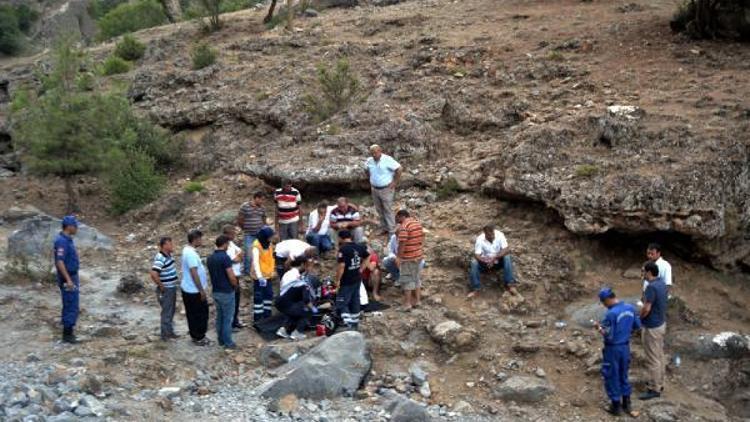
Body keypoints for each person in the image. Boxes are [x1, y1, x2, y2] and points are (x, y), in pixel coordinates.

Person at [595, 287, 641, 416]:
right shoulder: (630, 308)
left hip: (613, 349)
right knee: (623, 374)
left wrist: (599, 328)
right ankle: (627, 404)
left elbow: (608, 334)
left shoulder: (611, 314)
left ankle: (616, 406)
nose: (604, 305)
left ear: (607, 299)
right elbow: (637, 326)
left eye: (603, 302)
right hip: (625, 347)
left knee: (611, 375)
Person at [639, 261, 668, 401]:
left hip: (652, 326)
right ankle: (660, 383)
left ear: (649, 273)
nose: (642, 274)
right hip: (661, 324)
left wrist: (640, 317)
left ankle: (654, 388)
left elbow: (647, 308)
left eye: (643, 271)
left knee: (652, 358)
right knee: (660, 355)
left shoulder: (651, 287)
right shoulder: (661, 283)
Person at [207, 235, 240, 349]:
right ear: (225, 244)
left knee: (220, 317)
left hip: (216, 291)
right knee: (228, 318)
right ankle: (228, 342)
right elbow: (231, 275)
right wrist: (235, 285)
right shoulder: (225, 258)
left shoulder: (210, 258)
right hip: (226, 291)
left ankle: (221, 340)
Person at [468, 224, 517, 298]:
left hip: (498, 261)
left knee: (507, 257)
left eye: (492, 234)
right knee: (474, 262)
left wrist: (495, 258)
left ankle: (510, 284)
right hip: (485, 263)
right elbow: (477, 254)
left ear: (494, 231)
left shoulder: (500, 235)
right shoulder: (480, 239)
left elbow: (506, 249)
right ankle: (476, 289)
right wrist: (485, 261)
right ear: (484, 233)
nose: (491, 236)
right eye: (489, 235)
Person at [365, 144, 402, 237]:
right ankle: (384, 228)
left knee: (387, 209)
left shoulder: (387, 159)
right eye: (372, 152)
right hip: (374, 189)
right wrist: (371, 179)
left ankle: (392, 230)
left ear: (380, 151)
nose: (374, 154)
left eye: (376, 152)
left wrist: (395, 182)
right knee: (379, 209)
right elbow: (366, 169)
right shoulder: (369, 161)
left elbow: (399, 168)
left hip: (386, 189)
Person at [181, 230, 210, 346]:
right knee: (201, 313)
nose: (202, 241)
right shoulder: (191, 254)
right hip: (193, 290)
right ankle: (199, 337)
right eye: (200, 239)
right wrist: (201, 290)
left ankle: (195, 335)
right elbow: (194, 272)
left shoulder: (187, 250)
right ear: (195, 239)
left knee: (192, 313)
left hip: (189, 288)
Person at [54, 215, 81, 344]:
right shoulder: (62, 241)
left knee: (72, 303)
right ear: (69, 226)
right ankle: (67, 334)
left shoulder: (68, 240)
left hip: (72, 276)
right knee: (70, 303)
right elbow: (60, 262)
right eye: (75, 226)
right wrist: (68, 279)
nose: (77, 228)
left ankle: (69, 331)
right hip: (68, 277)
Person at [335, 230, 369, 330]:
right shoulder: (359, 247)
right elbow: (368, 256)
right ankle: (355, 324)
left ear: (341, 238)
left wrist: (337, 280)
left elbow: (341, 266)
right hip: (357, 278)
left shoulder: (343, 250)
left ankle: (347, 324)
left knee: (342, 302)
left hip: (347, 280)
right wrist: (362, 268)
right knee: (355, 301)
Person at [275, 258, 316, 340]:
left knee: (294, 312)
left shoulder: (289, 275)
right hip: (289, 303)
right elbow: (306, 299)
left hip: (280, 301)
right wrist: (313, 308)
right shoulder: (301, 280)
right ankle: (297, 332)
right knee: (307, 311)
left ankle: (283, 330)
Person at [149, 237, 179, 341]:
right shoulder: (160, 257)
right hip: (167, 289)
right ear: (164, 245)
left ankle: (169, 332)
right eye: (170, 244)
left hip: (171, 287)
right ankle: (165, 335)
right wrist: (162, 286)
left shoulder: (168, 256)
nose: (172, 246)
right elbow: (153, 273)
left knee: (170, 311)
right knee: (167, 311)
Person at [395, 209, 424, 311]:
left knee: (407, 279)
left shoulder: (404, 226)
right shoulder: (417, 223)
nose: (396, 220)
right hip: (418, 256)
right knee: (416, 278)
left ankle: (407, 304)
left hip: (409, 257)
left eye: (397, 217)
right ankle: (418, 301)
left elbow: (402, 244)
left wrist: (399, 257)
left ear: (401, 216)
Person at [237, 191, 267, 277]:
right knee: (248, 254)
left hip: (260, 235)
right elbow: (240, 219)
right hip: (249, 234)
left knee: (260, 253)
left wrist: (264, 228)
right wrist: (245, 228)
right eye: (261, 199)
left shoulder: (262, 208)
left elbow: (264, 219)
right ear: (256, 198)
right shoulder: (245, 206)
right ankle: (247, 272)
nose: (262, 202)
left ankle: (258, 270)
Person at [222, 225, 245, 330]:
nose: (234, 235)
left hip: (237, 274)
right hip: (231, 275)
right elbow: (235, 259)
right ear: (227, 234)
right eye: (232, 233)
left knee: (236, 299)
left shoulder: (231, 244)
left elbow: (241, 254)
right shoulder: (225, 246)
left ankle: (235, 321)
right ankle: (230, 323)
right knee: (232, 300)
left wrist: (239, 256)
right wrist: (238, 256)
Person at [252, 226, 276, 322]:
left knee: (268, 295)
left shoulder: (268, 244)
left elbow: (270, 258)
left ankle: (267, 315)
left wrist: (272, 271)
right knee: (259, 297)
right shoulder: (256, 246)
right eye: (270, 237)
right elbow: (256, 262)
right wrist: (260, 276)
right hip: (259, 277)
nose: (271, 239)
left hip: (268, 275)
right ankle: (258, 318)